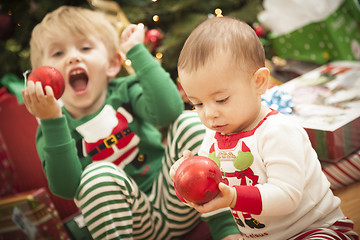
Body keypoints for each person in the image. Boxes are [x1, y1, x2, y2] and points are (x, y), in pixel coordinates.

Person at [22, 6, 241, 240]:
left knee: (188, 122)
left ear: (113, 64)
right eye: (57, 54)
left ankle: (225, 228)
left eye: (85, 48)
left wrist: (136, 52)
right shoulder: (52, 125)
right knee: (97, 174)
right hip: (132, 226)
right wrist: (52, 121)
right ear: (39, 78)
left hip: (178, 197)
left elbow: (169, 111)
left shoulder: (125, 92)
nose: (73, 57)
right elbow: (66, 187)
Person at [170, 16, 359, 240]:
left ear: (259, 82)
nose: (209, 113)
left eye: (221, 99)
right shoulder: (213, 136)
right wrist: (185, 182)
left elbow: (287, 196)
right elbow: (210, 193)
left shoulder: (277, 131)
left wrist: (233, 197)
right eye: (198, 104)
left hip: (313, 229)